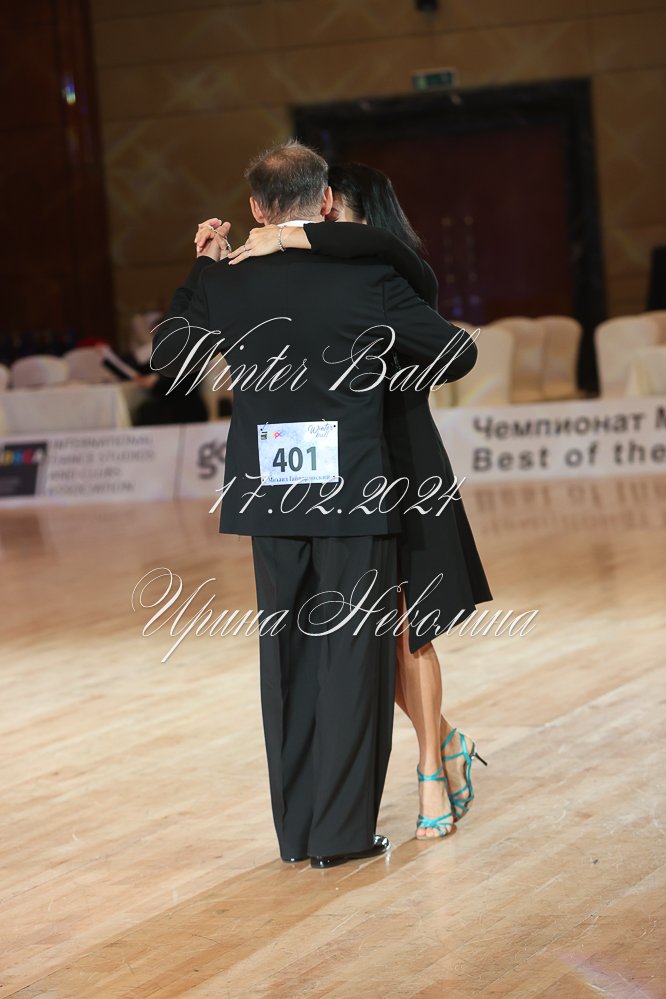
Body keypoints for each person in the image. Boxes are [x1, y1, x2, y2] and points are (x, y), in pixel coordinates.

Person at [153, 141, 479, 866]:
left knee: (287, 662)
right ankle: (340, 835)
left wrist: (203, 267)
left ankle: (297, 835)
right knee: (352, 659)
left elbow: (170, 360)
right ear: (326, 201)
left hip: (269, 495)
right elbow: (455, 352)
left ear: (254, 208)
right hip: (356, 492)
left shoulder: (226, 282)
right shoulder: (367, 276)